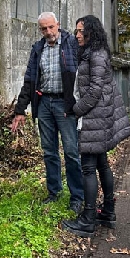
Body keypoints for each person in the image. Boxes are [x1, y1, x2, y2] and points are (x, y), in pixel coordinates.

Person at [62, 15, 130, 238]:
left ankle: (88, 218)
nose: (77, 35)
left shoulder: (97, 54)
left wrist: (75, 110)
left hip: (94, 118)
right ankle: (108, 212)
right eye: (76, 31)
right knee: (102, 163)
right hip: (98, 117)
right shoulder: (94, 53)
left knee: (88, 168)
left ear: (92, 31)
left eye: (81, 31)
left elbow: (94, 91)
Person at [11, 12, 85, 212]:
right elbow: (29, 79)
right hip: (43, 103)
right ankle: (54, 192)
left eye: (51, 27)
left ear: (57, 25)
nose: (48, 32)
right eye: (44, 28)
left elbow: (84, 73)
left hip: (65, 105)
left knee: (70, 152)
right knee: (49, 152)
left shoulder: (71, 44)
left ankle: (77, 197)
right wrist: (20, 110)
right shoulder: (38, 48)